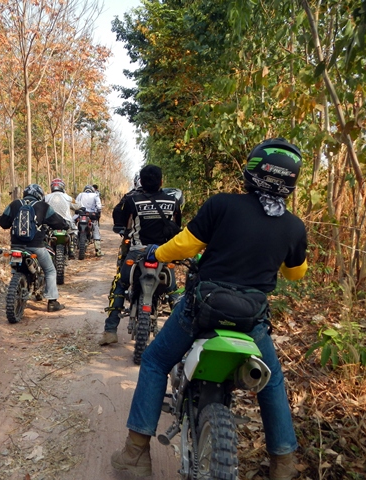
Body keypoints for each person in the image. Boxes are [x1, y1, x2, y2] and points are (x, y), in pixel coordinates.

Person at [110, 138, 307, 480]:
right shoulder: (294, 226)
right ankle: (284, 464)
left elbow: (186, 244)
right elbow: (295, 273)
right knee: (272, 381)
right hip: (251, 318)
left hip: (203, 308)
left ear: (252, 171)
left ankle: (136, 453)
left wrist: (156, 253)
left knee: (155, 361)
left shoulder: (223, 205)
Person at [99, 165, 181, 346]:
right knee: (173, 291)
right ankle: (181, 336)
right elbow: (177, 228)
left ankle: (110, 330)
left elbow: (121, 221)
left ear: (141, 182)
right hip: (163, 253)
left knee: (120, 284)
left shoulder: (132, 200)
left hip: (137, 252)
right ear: (161, 181)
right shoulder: (173, 202)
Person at [0, 184, 68, 312]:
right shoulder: (43, 206)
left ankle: (17, 286)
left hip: (16, 247)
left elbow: (3, 223)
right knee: (50, 271)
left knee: (15, 268)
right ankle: (52, 301)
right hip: (36, 247)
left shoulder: (14, 204)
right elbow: (58, 222)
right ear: (40, 195)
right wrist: (65, 224)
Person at [44, 178, 78, 258]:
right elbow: (77, 205)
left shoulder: (46, 197)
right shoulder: (68, 198)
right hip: (65, 223)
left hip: (51, 223)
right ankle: (71, 248)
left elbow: (41, 206)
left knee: (44, 234)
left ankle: (46, 249)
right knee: (74, 231)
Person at [75, 185, 104, 257]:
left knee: (72, 225)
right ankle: (98, 251)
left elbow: (75, 204)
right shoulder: (95, 195)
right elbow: (99, 207)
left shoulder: (80, 194)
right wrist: (98, 212)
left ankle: (72, 246)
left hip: (81, 214)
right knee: (95, 231)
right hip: (92, 215)